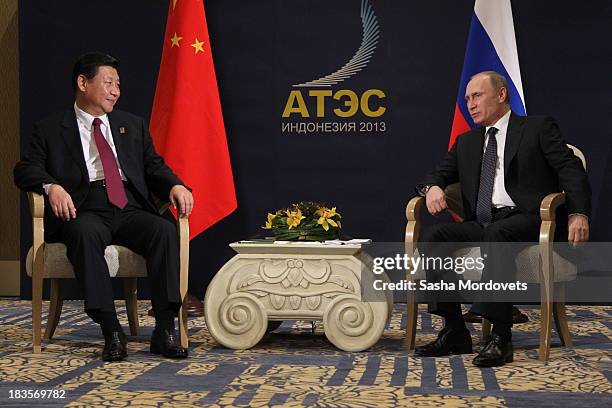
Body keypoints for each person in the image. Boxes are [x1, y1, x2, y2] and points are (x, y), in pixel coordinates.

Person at [14, 52, 194, 362]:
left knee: (164, 231)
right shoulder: (50, 128)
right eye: (108, 82)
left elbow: (153, 167)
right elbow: (25, 169)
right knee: (85, 234)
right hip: (83, 208)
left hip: (128, 206)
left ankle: (165, 329)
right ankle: (111, 330)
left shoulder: (130, 124)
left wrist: (175, 185)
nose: (115, 91)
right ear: (83, 83)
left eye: (118, 85)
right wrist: (52, 187)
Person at [414, 71, 590, 367]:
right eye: (467, 98)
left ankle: (501, 336)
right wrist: (432, 188)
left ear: (501, 95)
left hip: (529, 218)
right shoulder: (467, 141)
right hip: (484, 220)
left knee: (497, 235)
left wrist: (577, 212)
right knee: (436, 237)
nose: (470, 104)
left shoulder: (536, 128)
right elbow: (438, 174)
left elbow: (570, 169)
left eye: (477, 96)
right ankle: (455, 330)